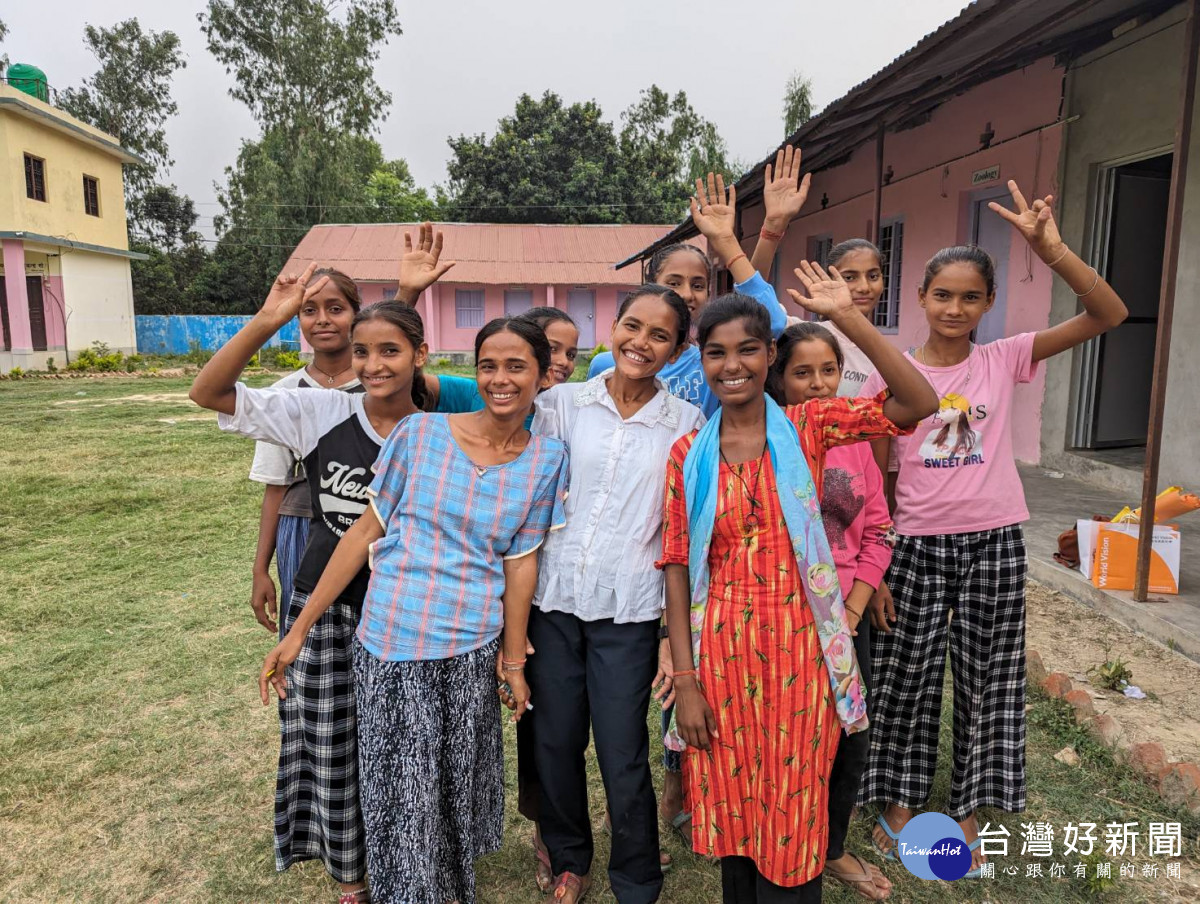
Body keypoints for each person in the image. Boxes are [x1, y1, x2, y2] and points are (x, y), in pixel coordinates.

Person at [858, 181, 1129, 878]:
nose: (954, 308)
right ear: (920, 297)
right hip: (913, 543)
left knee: (988, 678)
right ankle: (898, 800)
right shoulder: (896, 372)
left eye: (970, 296)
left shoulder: (1004, 358)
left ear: (987, 303)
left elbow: (1109, 312)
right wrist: (880, 560)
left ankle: (972, 808)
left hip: (995, 541)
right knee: (905, 676)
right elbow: (877, 477)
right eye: (942, 294)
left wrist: (1056, 251)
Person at [259, 316, 570, 904]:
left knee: (450, 790)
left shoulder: (547, 460)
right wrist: (297, 631)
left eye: (515, 366)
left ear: (542, 375)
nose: (499, 380)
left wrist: (512, 662)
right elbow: (362, 534)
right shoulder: (420, 434)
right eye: (487, 366)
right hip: (393, 641)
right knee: (401, 792)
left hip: (470, 647)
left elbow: (520, 562)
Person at [659, 264, 936, 903]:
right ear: (700, 360)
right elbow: (677, 567)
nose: (733, 366)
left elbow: (917, 404)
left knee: (794, 805)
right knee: (732, 809)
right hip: (719, 659)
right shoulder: (687, 455)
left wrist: (849, 319)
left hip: (803, 655)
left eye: (748, 350)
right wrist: (685, 680)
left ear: (771, 357)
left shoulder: (812, 430)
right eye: (716, 353)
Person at [190, 252, 444, 904]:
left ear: (419, 354)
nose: (373, 363)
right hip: (326, 605)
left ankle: (416, 862)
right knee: (331, 742)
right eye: (363, 352)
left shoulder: (441, 430)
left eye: (389, 350)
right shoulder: (318, 412)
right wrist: (268, 318)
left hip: (408, 607)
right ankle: (351, 876)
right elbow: (209, 393)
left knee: (411, 743)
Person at [590, 152, 811, 847]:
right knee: (671, 682)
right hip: (650, 550)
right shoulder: (629, 363)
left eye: (696, 284)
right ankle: (677, 784)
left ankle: (694, 785)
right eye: (672, 284)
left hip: (718, 544)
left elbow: (764, 322)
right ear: (647, 288)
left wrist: (748, 238)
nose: (686, 294)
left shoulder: (718, 354)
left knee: (702, 677)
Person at [523, 284, 704, 904]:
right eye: (632, 326)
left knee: (623, 751)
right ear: (613, 328)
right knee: (555, 739)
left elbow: (687, 538)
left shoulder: (687, 425)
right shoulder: (563, 405)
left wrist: (668, 639)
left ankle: (637, 877)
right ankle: (569, 857)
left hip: (629, 612)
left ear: (679, 348)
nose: (641, 343)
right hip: (552, 602)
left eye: (660, 335)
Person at [766, 323, 894, 901]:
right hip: (781, 617)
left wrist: (853, 606)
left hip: (846, 615)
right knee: (785, 735)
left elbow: (880, 532)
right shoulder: (765, 442)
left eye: (829, 370)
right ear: (779, 378)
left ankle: (832, 844)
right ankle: (775, 832)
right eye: (802, 372)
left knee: (850, 736)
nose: (819, 385)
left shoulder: (856, 445)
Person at [246, 269, 362, 639]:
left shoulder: (381, 381)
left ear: (356, 315)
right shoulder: (284, 391)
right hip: (303, 534)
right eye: (309, 310)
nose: (323, 319)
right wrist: (261, 569)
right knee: (312, 640)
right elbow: (275, 486)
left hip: (373, 528)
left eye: (336, 308)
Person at [425, 306, 580, 413]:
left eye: (571, 355)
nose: (564, 362)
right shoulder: (476, 394)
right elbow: (410, 383)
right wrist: (408, 293)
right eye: (552, 349)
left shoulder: (568, 413)